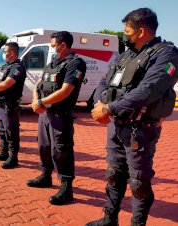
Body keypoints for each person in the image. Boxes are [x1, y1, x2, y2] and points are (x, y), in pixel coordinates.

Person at [88, 8, 178, 226]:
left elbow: (150, 89)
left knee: (138, 182)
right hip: (116, 126)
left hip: (141, 129)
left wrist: (109, 109)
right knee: (114, 173)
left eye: (127, 31)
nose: (124, 35)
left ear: (141, 30)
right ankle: (109, 219)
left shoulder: (167, 54)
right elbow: (104, 81)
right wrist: (100, 104)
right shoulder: (125, 55)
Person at [26, 31, 87, 205]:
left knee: (61, 151)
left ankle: (67, 188)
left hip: (61, 115)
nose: (52, 49)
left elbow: (65, 91)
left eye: (53, 46)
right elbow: (39, 83)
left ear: (63, 45)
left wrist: (41, 103)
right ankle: (46, 176)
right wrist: (35, 100)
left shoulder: (75, 64)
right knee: (44, 146)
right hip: (45, 114)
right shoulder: (52, 63)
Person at [0, 42, 26, 169]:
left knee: (11, 132)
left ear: (12, 52)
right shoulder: (5, 66)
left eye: (5, 51)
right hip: (0, 104)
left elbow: (7, 84)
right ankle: (3, 153)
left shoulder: (17, 68)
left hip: (10, 105)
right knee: (1, 130)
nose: (4, 53)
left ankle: (13, 157)